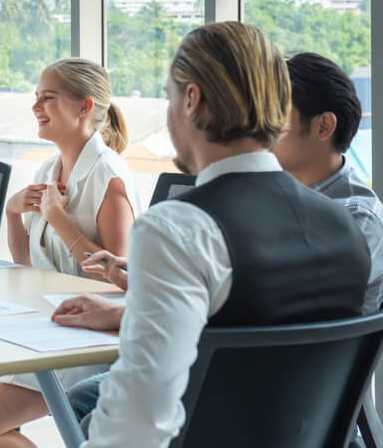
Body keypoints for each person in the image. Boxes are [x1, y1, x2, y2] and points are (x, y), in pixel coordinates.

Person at [51, 22, 371, 446]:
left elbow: (137, 424)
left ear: (191, 99)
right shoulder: (348, 229)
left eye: (168, 97)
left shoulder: (177, 229)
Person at [0, 58, 141, 448]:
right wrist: (14, 213)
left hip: (89, 333)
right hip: (44, 321)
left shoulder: (109, 177)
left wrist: (59, 220)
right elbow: (27, 266)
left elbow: (122, 280)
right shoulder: (48, 170)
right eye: (36, 97)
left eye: (47, 98)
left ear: (84, 107)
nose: (35, 108)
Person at [273, 52, 383, 314]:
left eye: (275, 117)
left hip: (294, 352)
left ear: (323, 126)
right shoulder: (272, 200)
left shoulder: (358, 219)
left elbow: (284, 302)